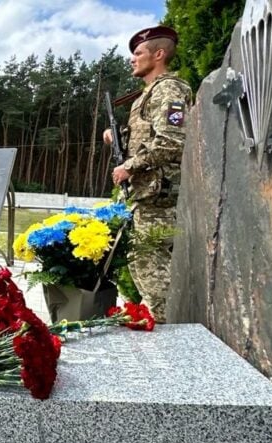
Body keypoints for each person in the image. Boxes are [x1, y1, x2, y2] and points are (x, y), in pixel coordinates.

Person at [103, 25, 193, 323]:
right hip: (148, 194)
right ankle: (157, 320)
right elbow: (149, 136)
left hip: (160, 196)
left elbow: (171, 141)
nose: (133, 59)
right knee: (143, 262)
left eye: (138, 53)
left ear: (159, 54)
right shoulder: (149, 93)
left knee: (150, 265)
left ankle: (167, 330)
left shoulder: (169, 89)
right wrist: (117, 139)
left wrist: (128, 167)